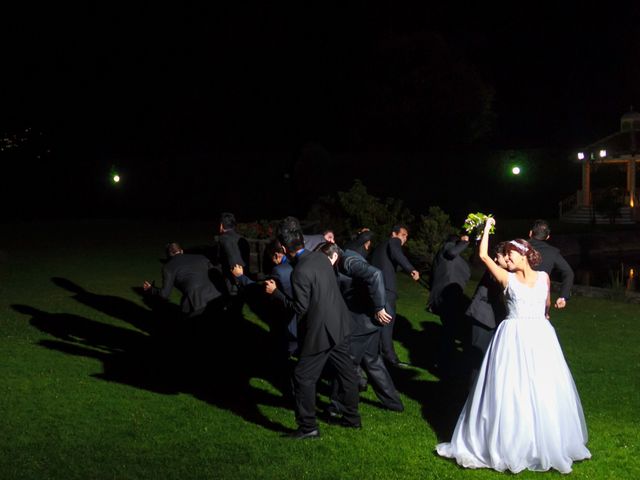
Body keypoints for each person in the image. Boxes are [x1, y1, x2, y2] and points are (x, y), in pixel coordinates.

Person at [436, 218, 591, 474]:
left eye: (511, 255)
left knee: (542, 386)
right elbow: (484, 255)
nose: (507, 259)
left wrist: (544, 318)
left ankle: (542, 442)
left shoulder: (543, 278)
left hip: (540, 336)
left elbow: (546, 306)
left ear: (525, 256)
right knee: (511, 387)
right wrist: (486, 227)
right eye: (506, 256)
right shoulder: (507, 279)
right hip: (512, 336)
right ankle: (508, 441)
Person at [268, 228, 361, 439]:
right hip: (340, 323)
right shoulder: (320, 257)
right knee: (347, 373)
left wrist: (275, 294)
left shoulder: (299, 272)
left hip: (321, 331)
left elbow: (299, 308)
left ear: (283, 248)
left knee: (302, 376)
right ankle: (352, 419)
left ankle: (308, 427)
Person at [320, 238, 404, 413]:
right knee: (372, 361)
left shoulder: (347, 262)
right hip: (368, 318)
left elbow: (375, 274)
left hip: (364, 319)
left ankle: (338, 406)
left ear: (334, 255)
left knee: (346, 361)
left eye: (324, 261)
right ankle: (394, 403)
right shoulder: (345, 258)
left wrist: (379, 307)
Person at [370, 225, 420, 367]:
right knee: (388, 322)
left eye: (406, 236)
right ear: (394, 234)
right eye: (403, 234)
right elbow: (398, 255)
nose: (404, 238)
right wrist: (411, 269)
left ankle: (376, 354)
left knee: (378, 322)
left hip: (376, 287)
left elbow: (391, 262)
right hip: (386, 289)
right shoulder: (393, 241)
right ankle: (390, 357)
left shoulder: (380, 247)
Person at [427, 234, 471, 377]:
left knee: (450, 330)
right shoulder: (448, 248)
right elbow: (452, 252)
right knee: (450, 331)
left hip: (450, 297)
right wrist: (464, 242)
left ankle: (446, 360)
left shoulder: (449, 259)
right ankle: (445, 363)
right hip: (447, 298)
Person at [465, 241, 508, 386]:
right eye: (494, 257)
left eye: (498, 257)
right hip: (483, 317)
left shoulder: (509, 272)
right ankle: (473, 393)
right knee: (478, 358)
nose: (495, 260)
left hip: (499, 320)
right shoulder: (495, 270)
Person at [143, 242, 222, 318]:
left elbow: (164, 294)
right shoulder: (201, 257)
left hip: (197, 303)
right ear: (181, 251)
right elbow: (217, 274)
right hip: (217, 297)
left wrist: (151, 289)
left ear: (168, 254)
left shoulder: (168, 267)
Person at [528, 219, 574, 309]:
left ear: (530, 233)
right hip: (540, 297)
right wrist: (563, 296)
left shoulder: (518, 247)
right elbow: (569, 272)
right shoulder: (552, 252)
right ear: (547, 237)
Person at [217, 212, 250, 310]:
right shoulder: (241, 239)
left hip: (232, 280)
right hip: (243, 277)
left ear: (221, 225)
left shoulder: (223, 239)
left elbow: (227, 258)